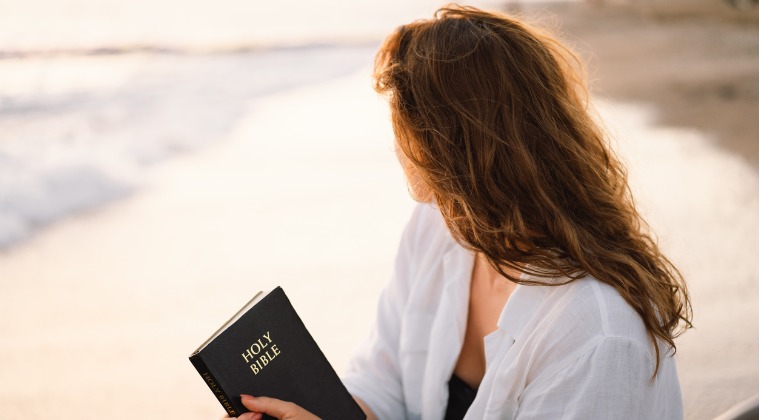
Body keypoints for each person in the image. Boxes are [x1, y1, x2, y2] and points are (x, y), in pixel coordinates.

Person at [230, 4, 692, 419]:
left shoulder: (595, 332)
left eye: (403, 127)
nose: (395, 146)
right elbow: (380, 383)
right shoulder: (440, 229)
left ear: (449, 148)